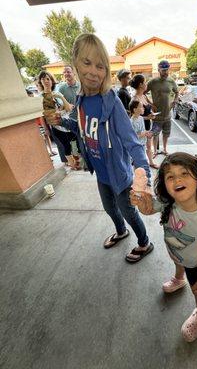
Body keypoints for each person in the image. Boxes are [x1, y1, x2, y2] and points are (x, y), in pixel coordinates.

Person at [44, 33, 154, 263]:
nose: (94, 71)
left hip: (120, 174)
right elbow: (84, 129)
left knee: (128, 211)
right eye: (87, 63)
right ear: (75, 64)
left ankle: (144, 243)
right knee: (109, 208)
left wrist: (144, 173)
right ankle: (121, 232)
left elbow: (132, 142)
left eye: (101, 66)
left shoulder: (111, 101)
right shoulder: (82, 98)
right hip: (101, 172)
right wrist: (62, 121)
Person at [130, 152, 197, 342]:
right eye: (170, 176)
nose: (177, 179)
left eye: (184, 173)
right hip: (176, 250)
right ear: (165, 184)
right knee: (178, 261)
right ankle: (179, 279)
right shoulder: (168, 203)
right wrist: (142, 202)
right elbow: (149, 209)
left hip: (196, 263)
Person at [38, 70, 76, 169]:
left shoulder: (57, 93)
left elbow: (69, 108)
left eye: (48, 79)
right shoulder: (41, 97)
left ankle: (75, 163)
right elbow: (43, 115)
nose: (46, 81)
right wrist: (46, 128)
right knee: (66, 145)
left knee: (74, 142)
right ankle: (73, 165)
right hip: (56, 125)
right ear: (40, 82)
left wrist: (60, 97)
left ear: (52, 81)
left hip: (67, 123)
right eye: (43, 79)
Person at [146, 60, 179, 157]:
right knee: (155, 134)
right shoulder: (153, 82)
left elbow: (177, 92)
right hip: (157, 115)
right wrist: (150, 104)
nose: (166, 72)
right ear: (159, 70)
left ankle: (164, 149)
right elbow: (142, 93)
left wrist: (175, 100)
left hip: (168, 114)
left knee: (166, 133)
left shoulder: (171, 81)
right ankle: (155, 151)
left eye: (167, 70)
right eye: (163, 70)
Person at [130, 74, 159, 169]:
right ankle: (139, 164)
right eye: (145, 82)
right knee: (141, 146)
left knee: (148, 145)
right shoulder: (135, 99)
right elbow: (135, 117)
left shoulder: (144, 96)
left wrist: (151, 113)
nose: (146, 84)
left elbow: (149, 107)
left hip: (147, 123)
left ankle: (150, 162)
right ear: (140, 85)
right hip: (140, 126)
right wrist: (148, 117)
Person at [57, 65, 82, 169]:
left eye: (68, 71)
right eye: (64, 72)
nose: (66, 74)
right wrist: (64, 106)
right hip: (69, 121)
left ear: (74, 73)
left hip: (81, 119)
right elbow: (59, 105)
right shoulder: (61, 88)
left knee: (81, 141)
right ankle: (77, 163)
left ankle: (83, 160)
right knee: (73, 143)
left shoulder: (80, 86)